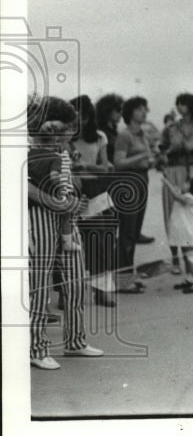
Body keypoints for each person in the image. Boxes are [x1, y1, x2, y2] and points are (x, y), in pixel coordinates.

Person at [27, 96, 104, 369]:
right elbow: (22, 184)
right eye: (66, 132)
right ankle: (36, 347)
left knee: (75, 280)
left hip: (67, 219)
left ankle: (75, 340)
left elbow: (66, 181)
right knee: (39, 284)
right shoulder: (28, 147)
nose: (67, 138)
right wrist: (55, 201)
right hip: (41, 217)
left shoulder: (59, 148)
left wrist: (74, 197)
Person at [69, 95, 117, 307]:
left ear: (90, 117)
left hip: (96, 191)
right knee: (69, 243)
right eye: (75, 117)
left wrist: (86, 168)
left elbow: (106, 166)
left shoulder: (99, 137)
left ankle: (101, 290)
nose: (79, 122)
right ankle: (66, 293)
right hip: (71, 191)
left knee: (100, 241)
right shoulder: (66, 138)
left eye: (83, 117)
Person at [159, 93, 193, 274]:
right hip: (173, 170)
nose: (179, 106)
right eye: (178, 103)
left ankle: (191, 261)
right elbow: (161, 150)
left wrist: (191, 149)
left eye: (183, 103)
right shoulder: (170, 128)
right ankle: (175, 258)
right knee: (171, 214)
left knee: (190, 217)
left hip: (192, 171)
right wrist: (168, 153)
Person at [113, 96, 154, 293]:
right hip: (129, 182)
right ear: (130, 113)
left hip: (142, 180)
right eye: (139, 109)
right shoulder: (125, 135)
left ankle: (128, 274)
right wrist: (142, 156)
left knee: (135, 230)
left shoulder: (142, 135)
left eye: (145, 109)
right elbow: (118, 162)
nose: (144, 112)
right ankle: (122, 278)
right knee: (127, 231)